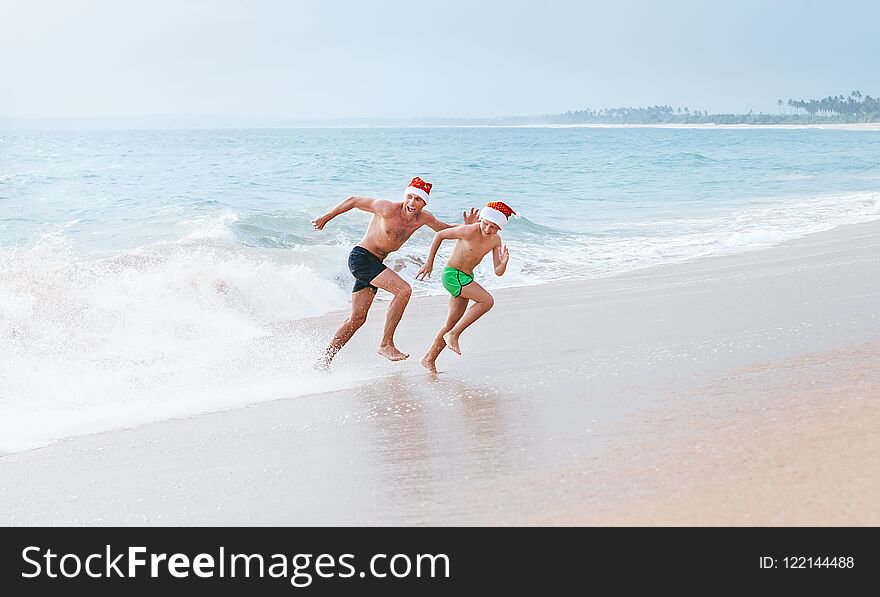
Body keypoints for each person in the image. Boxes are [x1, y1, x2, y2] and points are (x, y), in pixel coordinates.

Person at [312, 177, 478, 366]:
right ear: (405, 196)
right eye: (410, 197)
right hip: (361, 258)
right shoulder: (387, 208)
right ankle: (386, 344)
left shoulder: (424, 218)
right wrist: (326, 217)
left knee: (357, 318)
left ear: (424, 203)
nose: (412, 203)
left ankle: (323, 361)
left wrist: (469, 227)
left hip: (375, 264)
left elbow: (445, 229)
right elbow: (353, 200)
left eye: (418, 199)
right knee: (403, 291)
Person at [415, 201, 517, 372]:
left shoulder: (495, 240)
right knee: (487, 301)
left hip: (466, 277)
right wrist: (429, 263)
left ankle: (429, 358)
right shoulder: (469, 230)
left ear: (499, 228)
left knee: (451, 323)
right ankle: (454, 335)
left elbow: (498, 271)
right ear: (481, 219)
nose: (487, 229)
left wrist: (504, 263)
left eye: (493, 227)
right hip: (452, 275)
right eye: (485, 223)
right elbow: (439, 235)